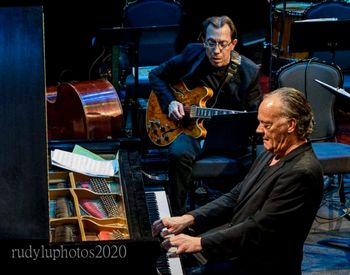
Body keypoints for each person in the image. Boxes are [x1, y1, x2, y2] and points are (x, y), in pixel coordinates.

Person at [152, 87, 324, 275]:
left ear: (291, 125)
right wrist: (190, 218)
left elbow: (260, 229)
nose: (259, 130)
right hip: (240, 251)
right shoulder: (271, 153)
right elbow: (236, 196)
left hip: (262, 266)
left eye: (266, 125)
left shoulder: (302, 172)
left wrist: (198, 243)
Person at [148, 15, 262, 216]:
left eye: (222, 44)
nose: (216, 50)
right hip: (191, 129)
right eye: (211, 43)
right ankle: (178, 216)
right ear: (204, 41)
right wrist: (170, 102)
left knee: (256, 160)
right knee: (178, 154)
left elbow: (254, 116)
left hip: (230, 137)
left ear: (233, 44)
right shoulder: (192, 54)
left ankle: (244, 216)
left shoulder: (249, 71)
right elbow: (156, 74)